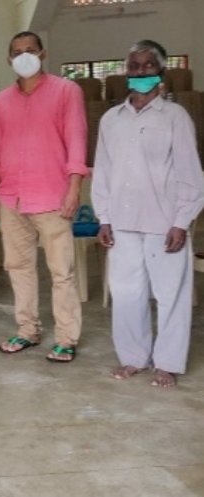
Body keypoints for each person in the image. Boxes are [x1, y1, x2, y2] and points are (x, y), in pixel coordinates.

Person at [93, 39, 204, 388]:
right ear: (126, 72)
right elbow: (103, 171)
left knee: (171, 294)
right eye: (134, 66)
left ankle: (167, 363)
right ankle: (133, 357)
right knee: (127, 293)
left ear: (161, 71)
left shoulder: (174, 117)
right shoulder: (111, 119)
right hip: (122, 222)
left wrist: (181, 221)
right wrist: (104, 217)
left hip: (163, 222)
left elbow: (190, 172)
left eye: (147, 66)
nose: (140, 72)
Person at [0, 32, 88, 362]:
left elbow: (77, 141)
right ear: (9, 59)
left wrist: (74, 188)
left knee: (61, 271)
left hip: (52, 196)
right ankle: (27, 330)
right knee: (18, 267)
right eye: (17, 52)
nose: (24, 56)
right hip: (11, 197)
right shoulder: (2, 101)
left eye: (30, 50)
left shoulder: (66, 91)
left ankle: (66, 337)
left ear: (42, 54)